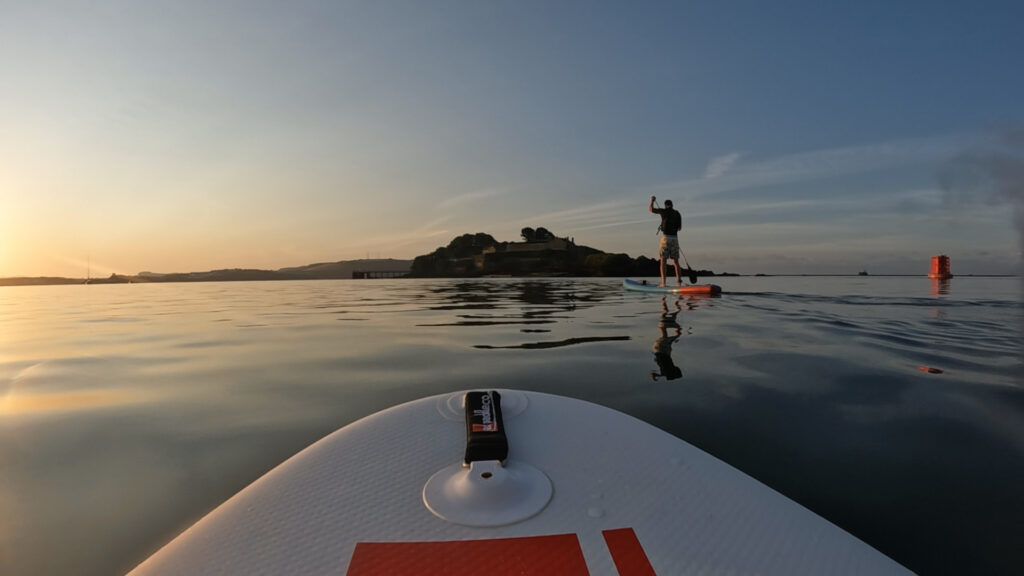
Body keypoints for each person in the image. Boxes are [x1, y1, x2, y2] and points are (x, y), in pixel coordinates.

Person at [649, 196, 683, 287]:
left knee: (663, 261)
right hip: (675, 239)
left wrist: (652, 201)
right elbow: (679, 229)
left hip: (665, 238)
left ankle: (663, 282)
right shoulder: (677, 213)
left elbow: (651, 209)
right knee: (676, 261)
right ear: (672, 205)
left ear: (665, 205)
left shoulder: (663, 211)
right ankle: (679, 281)